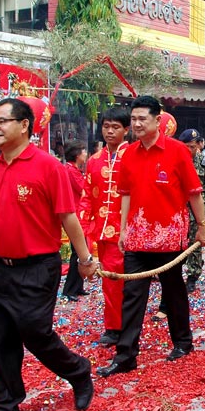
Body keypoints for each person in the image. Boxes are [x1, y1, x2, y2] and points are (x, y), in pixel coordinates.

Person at [0, 98, 96, 411]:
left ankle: (78, 371)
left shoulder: (47, 166)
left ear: (24, 125)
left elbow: (68, 217)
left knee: (34, 332)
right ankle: (5, 404)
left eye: (2, 121)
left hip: (37, 267)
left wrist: (84, 259)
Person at [96, 95, 205, 378]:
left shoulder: (177, 151)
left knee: (173, 291)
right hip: (136, 236)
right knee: (132, 295)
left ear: (157, 120)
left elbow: (194, 191)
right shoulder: (129, 154)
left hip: (169, 236)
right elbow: (125, 195)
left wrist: (202, 225)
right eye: (133, 119)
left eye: (141, 119)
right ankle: (126, 355)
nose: (135, 124)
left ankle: (183, 342)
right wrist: (123, 229)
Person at [79, 108, 130, 347]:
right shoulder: (94, 160)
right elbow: (87, 195)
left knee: (132, 284)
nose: (110, 131)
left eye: (116, 127)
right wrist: (81, 226)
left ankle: (130, 325)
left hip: (131, 232)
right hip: (103, 231)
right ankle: (113, 327)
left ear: (126, 130)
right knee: (111, 282)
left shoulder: (133, 156)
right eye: (106, 126)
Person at [180, 129, 205, 293]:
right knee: (180, 243)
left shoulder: (204, 162)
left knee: (195, 244)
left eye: (194, 146)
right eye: (188, 146)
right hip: (180, 209)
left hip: (199, 211)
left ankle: (192, 276)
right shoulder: (177, 161)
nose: (191, 150)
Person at [60, 140, 88, 302]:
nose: (85, 155)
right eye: (84, 151)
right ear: (77, 155)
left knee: (79, 252)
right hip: (76, 216)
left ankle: (77, 287)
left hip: (79, 215)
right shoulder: (71, 171)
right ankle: (69, 288)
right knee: (77, 252)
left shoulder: (73, 170)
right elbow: (83, 189)